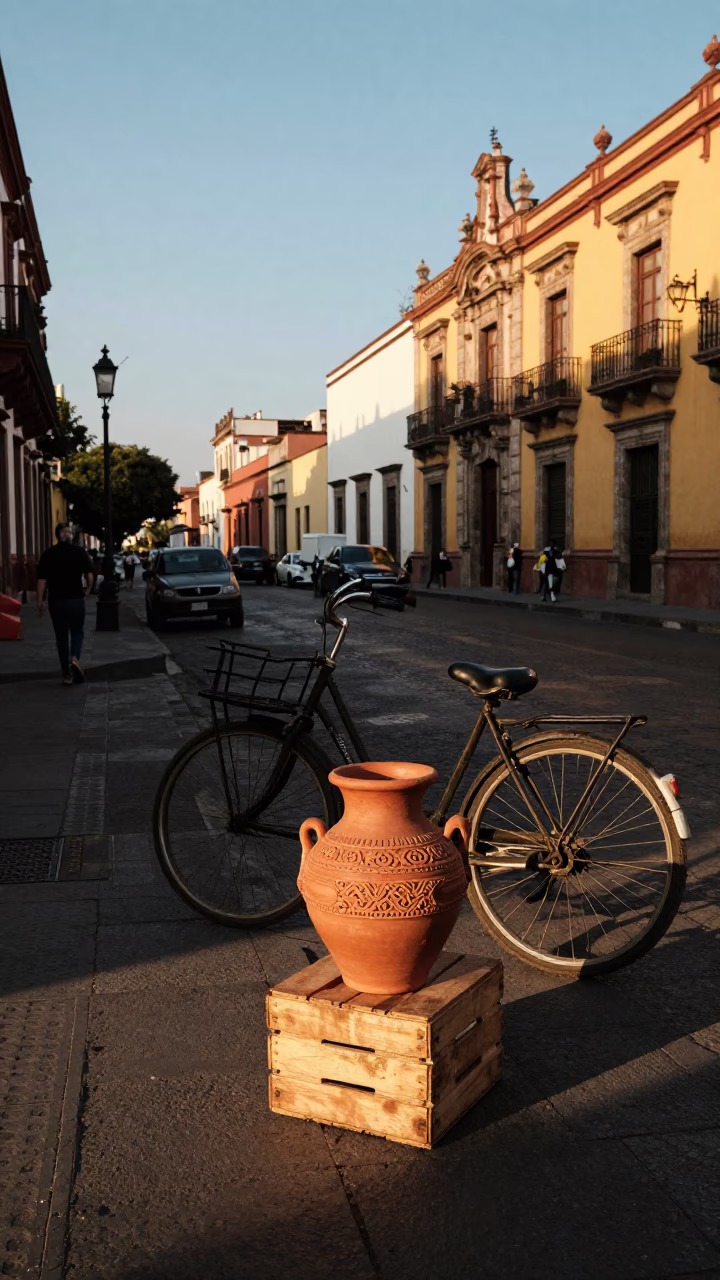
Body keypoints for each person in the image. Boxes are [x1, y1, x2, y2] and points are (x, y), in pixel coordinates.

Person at [36, 524, 95, 685]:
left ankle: (66, 673)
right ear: (68, 536)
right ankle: (74, 658)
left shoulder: (48, 554)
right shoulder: (79, 552)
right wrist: (88, 590)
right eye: (68, 532)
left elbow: (42, 579)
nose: (69, 534)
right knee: (77, 631)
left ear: (58, 536)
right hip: (76, 599)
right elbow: (90, 574)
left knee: (61, 637)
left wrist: (40, 600)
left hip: (56, 601)